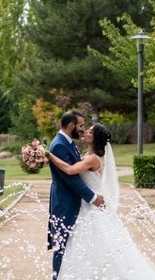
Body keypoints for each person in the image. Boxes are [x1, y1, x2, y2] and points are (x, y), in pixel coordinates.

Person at [48, 123, 155, 280]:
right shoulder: (87, 155)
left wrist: (49, 155)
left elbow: (70, 170)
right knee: (90, 250)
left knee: (97, 248)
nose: (86, 132)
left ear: (95, 139)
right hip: (87, 206)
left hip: (93, 209)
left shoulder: (92, 159)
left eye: (90, 132)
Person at [47, 111, 105, 279]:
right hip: (64, 204)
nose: (83, 130)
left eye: (87, 129)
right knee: (62, 246)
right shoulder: (59, 145)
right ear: (71, 125)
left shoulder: (69, 143)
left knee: (74, 246)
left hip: (76, 204)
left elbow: (74, 171)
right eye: (81, 126)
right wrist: (93, 197)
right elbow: (71, 177)